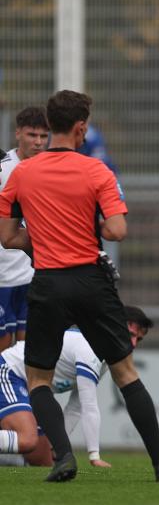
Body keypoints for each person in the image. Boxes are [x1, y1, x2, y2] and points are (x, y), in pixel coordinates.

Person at [0, 90, 159, 483]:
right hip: (90, 280)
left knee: (39, 379)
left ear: (49, 127)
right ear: (81, 127)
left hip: (47, 281)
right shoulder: (97, 172)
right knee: (125, 372)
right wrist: (87, 229)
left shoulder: (22, 174)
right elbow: (117, 230)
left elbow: (8, 237)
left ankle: (63, 457)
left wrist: (43, 241)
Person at [0, 305, 153, 468]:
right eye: (131, 334)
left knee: (45, 462)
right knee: (27, 440)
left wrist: (56, 444)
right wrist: (94, 455)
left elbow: (75, 407)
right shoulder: (91, 348)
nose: (134, 344)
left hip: (28, 387)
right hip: (9, 372)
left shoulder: (104, 355)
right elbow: (89, 405)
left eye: (139, 339)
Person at [0, 107, 48, 351]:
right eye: (32, 135)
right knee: (4, 356)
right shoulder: (3, 169)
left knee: (26, 355)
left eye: (43, 136)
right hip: (2, 278)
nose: (38, 142)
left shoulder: (49, 171)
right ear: (18, 133)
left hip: (30, 277)